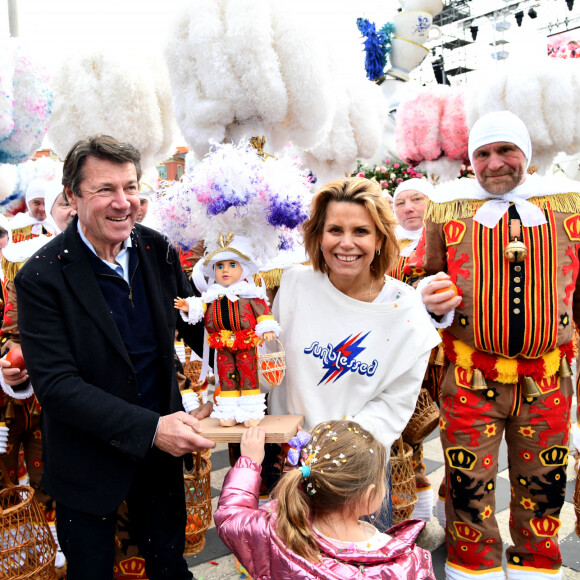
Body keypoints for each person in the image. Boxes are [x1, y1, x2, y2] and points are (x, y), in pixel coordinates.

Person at [14, 134, 215, 580]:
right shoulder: (41, 277)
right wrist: (152, 429)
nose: (123, 202)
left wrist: (242, 317)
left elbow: (198, 327)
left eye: (130, 186)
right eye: (105, 189)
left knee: (169, 567)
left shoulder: (156, 249)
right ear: (71, 195)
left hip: (159, 467)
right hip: (89, 470)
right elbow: (58, 388)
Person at [413, 111, 580, 580]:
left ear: (526, 153)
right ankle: (474, 566)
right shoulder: (447, 209)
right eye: (482, 153)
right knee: (469, 484)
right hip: (469, 377)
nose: (494, 163)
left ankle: (537, 565)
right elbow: (420, 278)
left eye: (505, 150)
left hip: (549, 378)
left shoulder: (568, 205)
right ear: (471, 160)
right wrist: (433, 302)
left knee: (545, 481)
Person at [268, 176, 440, 455]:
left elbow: (393, 404)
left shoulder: (405, 308)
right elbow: (268, 367)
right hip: (285, 460)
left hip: (357, 470)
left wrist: (333, 450)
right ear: (319, 237)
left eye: (361, 231)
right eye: (335, 230)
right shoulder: (294, 284)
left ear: (380, 239)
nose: (346, 243)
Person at [215, 420, 436, 579]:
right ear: (369, 496)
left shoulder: (275, 531)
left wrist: (249, 461)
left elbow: (231, 517)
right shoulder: (404, 565)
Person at [175, 236, 280, 427]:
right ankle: (228, 411)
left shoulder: (250, 293)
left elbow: (263, 311)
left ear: (243, 268)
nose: (225, 270)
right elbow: (200, 307)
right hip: (221, 344)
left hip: (245, 342)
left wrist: (267, 328)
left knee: (248, 374)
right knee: (225, 375)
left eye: (232, 264)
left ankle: (251, 412)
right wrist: (188, 305)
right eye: (220, 266)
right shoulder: (211, 295)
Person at [9, 177, 61, 242]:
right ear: (28, 202)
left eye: (45, 203)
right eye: (36, 203)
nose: (42, 208)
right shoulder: (15, 225)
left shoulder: (57, 226)